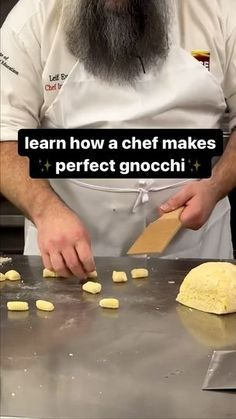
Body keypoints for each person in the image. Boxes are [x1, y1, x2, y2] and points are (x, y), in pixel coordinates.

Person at [1, 0, 236, 278]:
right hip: (70, 253)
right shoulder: (34, 18)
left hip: (195, 249)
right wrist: (45, 211)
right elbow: (5, 134)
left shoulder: (219, 11)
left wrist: (216, 185)